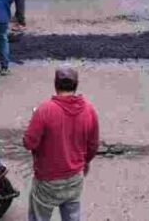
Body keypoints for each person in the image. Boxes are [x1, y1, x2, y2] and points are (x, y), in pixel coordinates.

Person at [23, 68, 99, 221]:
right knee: (72, 216)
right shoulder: (89, 110)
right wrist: (85, 163)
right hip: (75, 178)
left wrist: (34, 118)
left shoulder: (44, 110)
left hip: (47, 180)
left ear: (55, 84)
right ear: (76, 85)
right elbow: (93, 145)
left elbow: (29, 143)